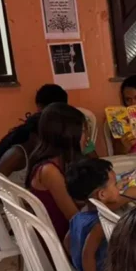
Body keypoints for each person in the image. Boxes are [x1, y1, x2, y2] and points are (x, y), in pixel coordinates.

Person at [63, 159, 136, 271]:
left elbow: (67, 241)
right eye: (115, 184)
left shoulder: (80, 216)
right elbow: (87, 255)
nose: (118, 188)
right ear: (102, 195)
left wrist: (79, 267)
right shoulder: (99, 224)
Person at [26, 103, 88, 241]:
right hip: (64, 243)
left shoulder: (53, 163)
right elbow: (75, 219)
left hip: (63, 236)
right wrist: (121, 199)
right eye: (83, 131)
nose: (87, 138)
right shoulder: (50, 171)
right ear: (68, 135)